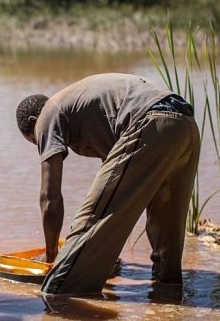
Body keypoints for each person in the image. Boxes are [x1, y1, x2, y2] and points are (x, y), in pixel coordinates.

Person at [15, 73, 200, 296]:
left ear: (35, 123)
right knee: (167, 223)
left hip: (150, 119)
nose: (42, 143)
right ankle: (167, 297)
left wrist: (51, 255)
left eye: (36, 140)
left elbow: (50, 199)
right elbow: (114, 197)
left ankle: (62, 296)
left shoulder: (47, 115)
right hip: (185, 122)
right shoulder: (82, 108)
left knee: (62, 288)